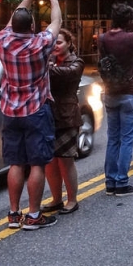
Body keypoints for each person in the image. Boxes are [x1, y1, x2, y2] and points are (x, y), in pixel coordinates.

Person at [0, 0, 61, 229]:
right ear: (32, 27)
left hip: (10, 110)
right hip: (35, 109)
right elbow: (57, 22)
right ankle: (34, 215)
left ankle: (14, 214)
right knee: (36, 164)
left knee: (15, 163)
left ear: (12, 26)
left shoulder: (3, 40)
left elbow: (14, 20)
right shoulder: (40, 44)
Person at [99, 3, 133, 195]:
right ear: (129, 21)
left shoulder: (103, 38)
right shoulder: (130, 37)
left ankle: (110, 181)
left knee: (113, 138)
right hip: (130, 91)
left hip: (111, 91)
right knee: (127, 138)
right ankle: (122, 182)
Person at [43, 29, 84, 214]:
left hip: (67, 116)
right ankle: (56, 198)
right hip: (48, 115)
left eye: (59, 42)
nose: (55, 47)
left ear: (68, 43)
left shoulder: (76, 62)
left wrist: (46, 65)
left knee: (66, 160)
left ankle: (72, 199)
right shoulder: (49, 61)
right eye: (53, 43)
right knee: (50, 161)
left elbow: (68, 74)